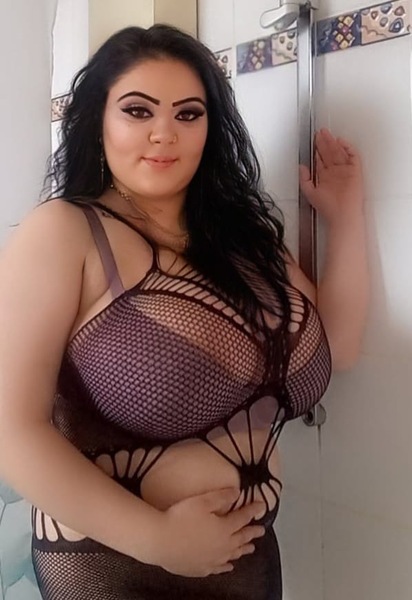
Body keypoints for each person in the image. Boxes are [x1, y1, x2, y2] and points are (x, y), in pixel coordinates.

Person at [0, 24, 368, 600]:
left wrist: (345, 216)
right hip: (115, 568)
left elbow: (337, 347)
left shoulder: (243, 239)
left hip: (248, 563)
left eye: (188, 113)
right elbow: (12, 430)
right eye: (137, 111)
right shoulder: (63, 232)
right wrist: (158, 541)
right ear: (98, 122)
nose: (164, 133)